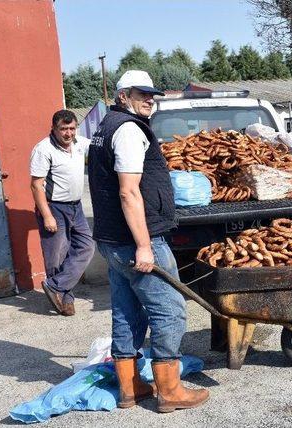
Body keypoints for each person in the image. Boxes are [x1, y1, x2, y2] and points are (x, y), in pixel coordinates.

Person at [88, 70, 209, 411]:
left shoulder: (106, 125)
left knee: (127, 313)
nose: (150, 99)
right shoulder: (127, 130)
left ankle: (130, 389)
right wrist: (144, 245)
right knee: (170, 310)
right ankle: (169, 391)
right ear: (123, 95)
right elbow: (128, 192)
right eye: (142, 94)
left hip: (111, 241)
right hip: (136, 240)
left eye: (152, 93)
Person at [30, 110, 95, 316]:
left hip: (76, 207)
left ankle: (55, 286)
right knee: (56, 256)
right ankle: (65, 299)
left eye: (72, 128)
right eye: (63, 129)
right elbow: (36, 186)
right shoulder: (43, 149)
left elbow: (100, 146)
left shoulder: (79, 143)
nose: (68, 133)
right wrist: (47, 215)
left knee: (86, 247)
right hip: (54, 207)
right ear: (54, 129)